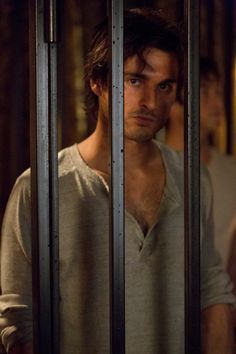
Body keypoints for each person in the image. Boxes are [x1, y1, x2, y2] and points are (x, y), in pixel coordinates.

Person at [0, 9, 235, 354]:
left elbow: (211, 289)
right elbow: (18, 319)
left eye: (165, 86)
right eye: (135, 80)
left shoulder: (191, 177)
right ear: (98, 81)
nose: (151, 102)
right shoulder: (43, 187)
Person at [165, 57, 236, 268]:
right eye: (205, 92)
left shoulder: (232, 171)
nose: (218, 104)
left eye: (218, 93)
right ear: (175, 102)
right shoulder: (151, 168)